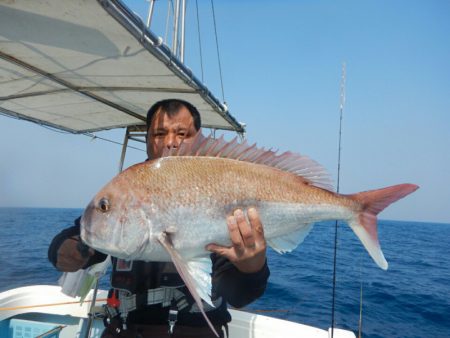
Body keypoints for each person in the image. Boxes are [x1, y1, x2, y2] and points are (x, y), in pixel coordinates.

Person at [48, 99, 270, 338]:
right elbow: (71, 239)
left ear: (198, 139)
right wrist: (72, 250)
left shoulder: (223, 186)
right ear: (147, 140)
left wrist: (252, 266)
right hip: (126, 329)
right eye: (160, 133)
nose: (170, 142)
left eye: (182, 133)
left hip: (195, 331)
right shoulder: (128, 189)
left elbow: (239, 295)